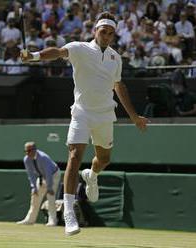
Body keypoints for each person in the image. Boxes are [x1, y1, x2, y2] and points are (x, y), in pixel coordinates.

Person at [21, 11, 148, 236]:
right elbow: (57, 52)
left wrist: (134, 116)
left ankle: (92, 175)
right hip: (81, 113)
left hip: (105, 114)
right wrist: (33, 56)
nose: (107, 36)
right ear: (95, 31)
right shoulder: (79, 48)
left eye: (110, 33)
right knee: (74, 156)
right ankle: (69, 210)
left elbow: (119, 87)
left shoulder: (115, 58)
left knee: (104, 159)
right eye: (103, 31)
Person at [16, 141, 61, 227]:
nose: (27, 153)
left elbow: (48, 173)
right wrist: (34, 187)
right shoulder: (26, 159)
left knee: (50, 197)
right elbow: (31, 174)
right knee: (35, 197)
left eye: (29, 151)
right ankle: (30, 220)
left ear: (34, 150)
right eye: (26, 151)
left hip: (53, 175)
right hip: (41, 177)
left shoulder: (43, 157)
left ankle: (52, 220)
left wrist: (49, 187)